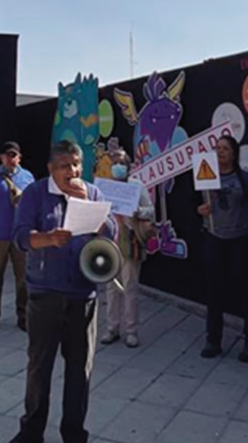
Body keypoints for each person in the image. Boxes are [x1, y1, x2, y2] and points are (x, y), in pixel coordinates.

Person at [11, 140, 118, 443]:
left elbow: (112, 234)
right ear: (50, 169)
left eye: (75, 165)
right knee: (39, 369)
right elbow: (19, 237)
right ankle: (31, 433)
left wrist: (90, 209)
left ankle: (74, 434)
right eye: (63, 166)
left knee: (79, 372)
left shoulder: (92, 192)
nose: (71, 171)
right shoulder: (35, 194)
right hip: (44, 294)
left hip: (82, 296)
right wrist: (47, 239)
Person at [196, 136, 248, 362]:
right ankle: (213, 340)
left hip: (240, 241)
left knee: (247, 292)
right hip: (215, 238)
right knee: (214, 292)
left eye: (225, 149)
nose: (220, 152)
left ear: (234, 153)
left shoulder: (245, 179)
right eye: (217, 148)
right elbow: (192, 205)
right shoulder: (205, 178)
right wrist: (200, 209)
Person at [0, 141, 35, 332]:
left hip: (20, 234)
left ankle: (23, 316)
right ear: (1, 157)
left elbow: (34, 204)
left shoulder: (27, 177)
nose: (11, 159)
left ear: (19, 157)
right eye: (8, 155)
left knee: (23, 278)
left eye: (14, 155)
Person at [101, 149, 155, 348]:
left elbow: (151, 210)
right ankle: (111, 328)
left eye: (121, 162)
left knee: (130, 287)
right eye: (114, 161)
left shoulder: (136, 186)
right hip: (110, 242)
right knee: (111, 287)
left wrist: (138, 210)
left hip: (130, 240)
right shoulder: (105, 186)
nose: (117, 165)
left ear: (128, 166)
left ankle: (131, 331)